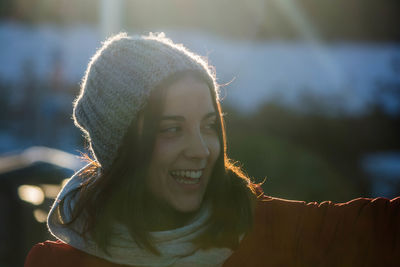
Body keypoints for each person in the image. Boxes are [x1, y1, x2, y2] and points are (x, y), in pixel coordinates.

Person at [25, 32, 400, 267]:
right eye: (172, 129)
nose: (202, 150)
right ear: (120, 148)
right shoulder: (56, 263)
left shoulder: (267, 233)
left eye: (208, 125)